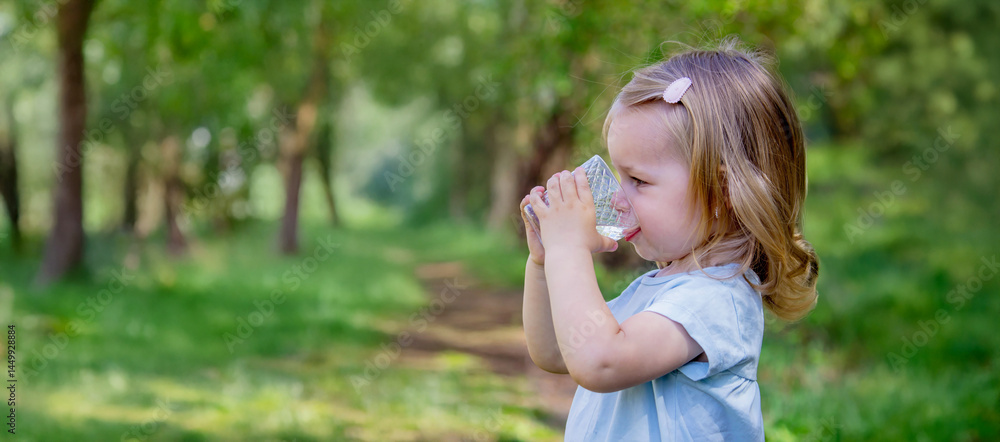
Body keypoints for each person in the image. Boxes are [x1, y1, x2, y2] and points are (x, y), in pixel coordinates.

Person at [519, 38, 819, 441]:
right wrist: (545, 262)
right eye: (620, 176)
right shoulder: (656, 289)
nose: (617, 198)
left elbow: (599, 362)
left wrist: (569, 249)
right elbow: (558, 351)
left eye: (638, 180)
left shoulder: (716, 299)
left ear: (720, 193)